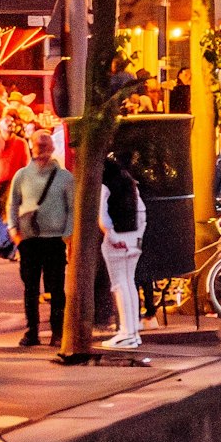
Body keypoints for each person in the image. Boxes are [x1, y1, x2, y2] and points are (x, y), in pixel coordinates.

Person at [7, 141, 73, 349]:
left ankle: (57, 331)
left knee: (56, 288)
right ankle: (32, 331)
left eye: (44, 150)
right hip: (29, 239)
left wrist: (67, 234)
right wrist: (13, 229)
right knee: (30, 288)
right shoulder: (22, 175)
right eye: (37, 151)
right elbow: (13, 202)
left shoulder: (64, 178)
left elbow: (71, 208)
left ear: (52, 150)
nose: (41, 156)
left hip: (54, 239)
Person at [97, 147, 147, 351]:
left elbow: (103, 216)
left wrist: (112, 236)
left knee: (119, 284)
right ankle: (132, 331)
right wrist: (137, 237)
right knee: (129, 283)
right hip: (133, 236)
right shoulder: (128, 181)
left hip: (117, 237)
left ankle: (126, 333)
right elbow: (141, 210)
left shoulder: (104, 184)